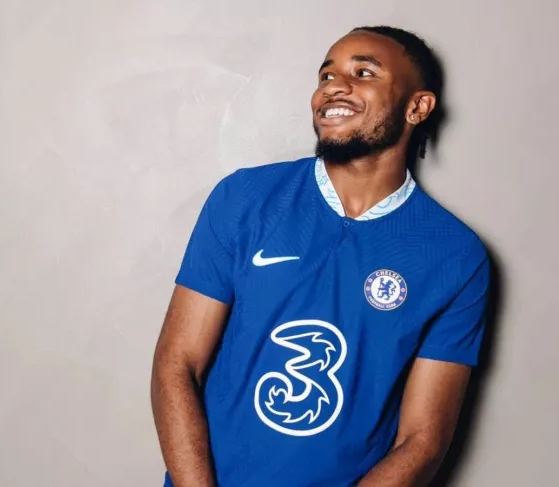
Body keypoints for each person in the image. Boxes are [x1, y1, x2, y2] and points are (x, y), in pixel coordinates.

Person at [151, 25, 490, 487]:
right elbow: (177, 363)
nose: (334, 87)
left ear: (418, 107)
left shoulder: (456, 256)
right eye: (326, 75)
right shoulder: (245, 198)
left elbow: (423, 440)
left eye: (363, 72)